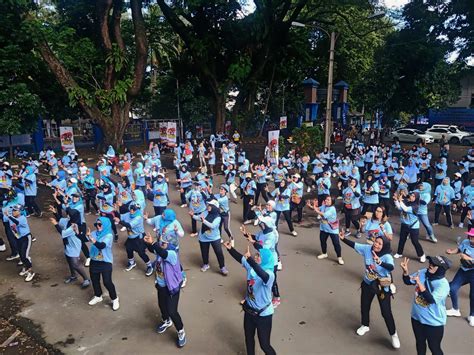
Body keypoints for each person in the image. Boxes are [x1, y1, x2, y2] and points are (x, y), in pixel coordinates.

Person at [339, 232, 400, 349]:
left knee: (386, 312)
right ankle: (365, 325)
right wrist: (343, 239)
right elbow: (355, 245)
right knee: (365, 306)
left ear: (384, 246)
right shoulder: (367, 249)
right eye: (376, 242)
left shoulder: (387, 256)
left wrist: (380, 262)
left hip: (382, 287)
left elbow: (391, 267)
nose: (376, 245)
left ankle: (393, 334)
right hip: (368, 284)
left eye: (380, 244)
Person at [223, 242, 277, 355]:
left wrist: (251, 261)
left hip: (263, 315)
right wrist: (230, 249)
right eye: (256, 254)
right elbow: (241, 258)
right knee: (248, 339)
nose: (256, 256)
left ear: (265, 260)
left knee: (264, 345)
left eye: (259, 256)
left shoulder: (269, 274)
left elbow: (262, 275)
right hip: (249, 311)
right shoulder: (251, 267)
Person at [401, 256, 451, 355]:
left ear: (440, 269)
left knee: (434, 348)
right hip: (416, 318)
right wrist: (405, 272)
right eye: (430, 262)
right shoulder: (423, 272)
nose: (430, 265)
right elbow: (408, 281)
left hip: (433, 323)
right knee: (420, 343)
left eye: (434, 264)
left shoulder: (443, 285)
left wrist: (420, 284)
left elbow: (431, 299)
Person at [144, 233, 186, 347]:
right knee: (162, 306)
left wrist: (153, 243)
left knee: (172, 311)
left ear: (170, 244)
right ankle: (167, 321)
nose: (160, 243)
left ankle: (181, 331)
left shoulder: (172, 254)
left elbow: (162, 252)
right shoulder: (161, 249)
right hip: (161, 286)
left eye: (163, 242)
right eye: (160, 241)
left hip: (172, 288)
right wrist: (147, 242)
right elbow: (153, 249)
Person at [86, 217, 119, 311]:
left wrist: (93, 240)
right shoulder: (93, 233)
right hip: (94, 261)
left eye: (100, 224)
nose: (98, 226)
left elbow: (102, 245)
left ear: (105, 225)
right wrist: (77, 231)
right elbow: (85, 238)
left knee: (107, 282)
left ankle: (115, 298)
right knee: (94, 280)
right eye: (96, 224)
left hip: (105, 262)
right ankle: (98, 296)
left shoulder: (109, 235)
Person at [50, 215, 90, 288]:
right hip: (68, 246)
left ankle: (86, 279)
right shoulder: (69, 221)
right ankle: (73, 276)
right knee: (70, 262)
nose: (68, 216)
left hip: (73, 248)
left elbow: (63, 233)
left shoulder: (73, 227)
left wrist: (55, 224)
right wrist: (55, 213)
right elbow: (61, 219)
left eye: (69, 215)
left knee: (75, 264)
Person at [445, 228, 474, 327]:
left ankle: (472, 315)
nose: (471, 239)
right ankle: (455, 309)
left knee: (473, 295)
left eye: (473, 237)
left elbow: (466, 257)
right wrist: (452, 251)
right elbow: (460, 249)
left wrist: (468, 258)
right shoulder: (465, 241)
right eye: (470, 236)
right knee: (452, 288)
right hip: (463, 270)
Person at [192, 200, 228, 275]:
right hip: (204, 236)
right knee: (204, 252)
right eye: (208, 205)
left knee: (219, 252)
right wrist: (192, 216)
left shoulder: (218, 217)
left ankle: (222, 267)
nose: (208, 206)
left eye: (210, 205)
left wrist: (204, 221)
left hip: (214, 237)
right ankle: (206, 264)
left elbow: (212, 226)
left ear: (214, 207)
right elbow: (199, 218)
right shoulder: (205, 212)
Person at [306, 196, 344, 265]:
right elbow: (317, 209)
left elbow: (323, 214)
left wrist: (316, 210)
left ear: (332, 202)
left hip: (332, 229)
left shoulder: (332, 209)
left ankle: (339, 257)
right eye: (326, 199)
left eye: (328, 200)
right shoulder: (323, 206)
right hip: (323, 228)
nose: (326, 200)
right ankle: (324, 253)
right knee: (322, 241)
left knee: (336, 244)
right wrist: (311, 206)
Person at [393, 191, 426, 262]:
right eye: (411, 195)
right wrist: (396, 200)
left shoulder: (415, 206)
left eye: (413, 196)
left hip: (413, 226)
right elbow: (400, 208)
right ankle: (399, 253)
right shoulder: (407, 203)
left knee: (414, 241)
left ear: (416, 198)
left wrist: (400, 200)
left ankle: (422, 254)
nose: (411, 197)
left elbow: (405, 209)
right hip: (404, 224)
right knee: (402, 239)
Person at [6, 205, 35, 281]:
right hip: (18, 238)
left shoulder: (22, 218)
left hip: (26, 238)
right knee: (21, 256)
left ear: (20, 212)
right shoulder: (11, 218)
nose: (13, 212)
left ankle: (30, 271)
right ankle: (25, 267)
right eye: (13, 210)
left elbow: (17, 222)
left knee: (24, 256)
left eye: (15, 210)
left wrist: (9, 216)